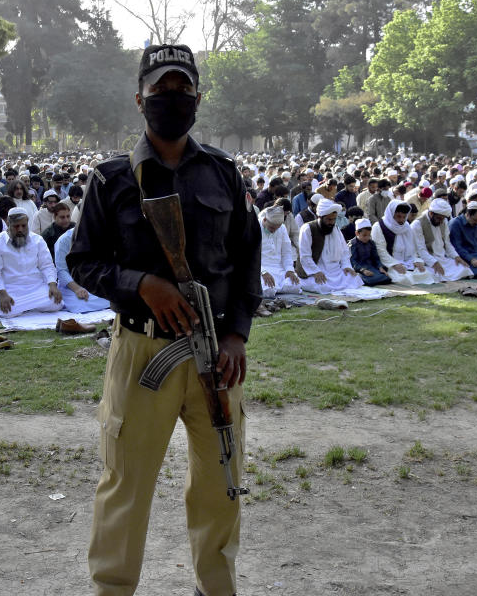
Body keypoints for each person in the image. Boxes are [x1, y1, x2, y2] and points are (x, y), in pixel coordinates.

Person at [66, 44, 260, 596]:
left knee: (221, 480)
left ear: (198, 99)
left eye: (182, 90)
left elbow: (248, 257)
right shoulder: (111, 181)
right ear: (139, 99)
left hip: (218, 353)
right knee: (126, 484)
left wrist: (238, 334)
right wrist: (142, 285)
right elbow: (83, 261)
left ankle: (215, 587)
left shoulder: (223, 172)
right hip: (143, 349)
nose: (172, 99)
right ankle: (113, 589)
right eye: (161, 91)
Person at [0, 208, 63, 317]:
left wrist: (52, 285)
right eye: (16, 226)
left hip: (35, 287)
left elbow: (47, 265)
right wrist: (2, 294)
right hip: (10, 289)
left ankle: (25, 308)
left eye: (23, 226)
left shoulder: (37, 240)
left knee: (55, 303)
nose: (20, 229)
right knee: (7, 311)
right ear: (8, 224)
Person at [299, 199, 385, 297]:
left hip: (335, 271)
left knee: (353, 278)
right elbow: (305, 255)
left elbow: (344, 251)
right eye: (329, 219)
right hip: (317, 270)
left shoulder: (335, 229)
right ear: (320, 217)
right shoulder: (307, 229)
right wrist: (315, 271)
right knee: (321, 285)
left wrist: (346, 266)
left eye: (334, 219)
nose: (332, 222)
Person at [372, 200, 436, 286]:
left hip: (407, 262)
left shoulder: (406, 227)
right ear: (391, 214)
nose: (401, 220)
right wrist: (394, 264)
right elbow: (380, 251)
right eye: (398, 216)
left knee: (426, 273)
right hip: (389, 263)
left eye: (404, 217)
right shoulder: (379, 226)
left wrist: (416, 260)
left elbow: (413, 249)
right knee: (404, 278)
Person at [412, 198, 474, 282]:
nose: (441, 222)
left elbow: (447, 243)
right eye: (439, 218)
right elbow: (421, 250)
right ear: (431, 213)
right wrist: (434, 263)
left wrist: (456, 256)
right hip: (427, 260)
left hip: (443, 259)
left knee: (464, 269)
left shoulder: (444, 221)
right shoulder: (418, 224)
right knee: (427, 274)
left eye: (443, 218)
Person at [53, 227, 111, 313]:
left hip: (93, 282)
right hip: (71, 286)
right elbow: (61, 271)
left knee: (112, 297)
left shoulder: (98, 236)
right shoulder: (64, 240)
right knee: (80, 304)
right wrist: (77, 289)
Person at [257, 205, 301, 298]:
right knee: (268, 290)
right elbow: (250, 256)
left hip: (278, 269)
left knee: (296, 285)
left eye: (277, 228)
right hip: (260, 269)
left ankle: (276, 288)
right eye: (272, 228)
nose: (274, 231)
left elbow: (286, 252)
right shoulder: (255, 228)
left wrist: (289, 270)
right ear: (265, 220)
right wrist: (263, 272)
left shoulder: (282, 228)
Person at [349, 218, 391, 286]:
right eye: (364, 235)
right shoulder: (353, 244)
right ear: (357, 233)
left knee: (387, 278)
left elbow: (375, 258)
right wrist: (363, 270)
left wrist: (380, 267)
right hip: (359, 269)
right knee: (369, 281)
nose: (367, 238)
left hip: (370, 267)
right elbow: (352, 261)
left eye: (369, 235)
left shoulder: (371, 243)